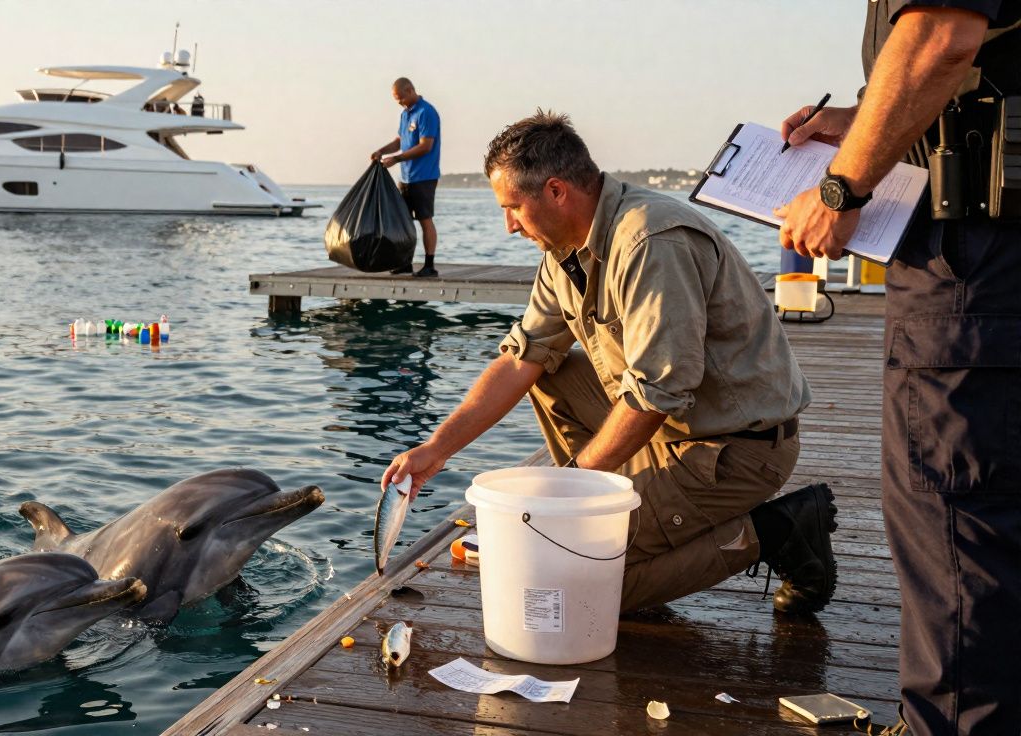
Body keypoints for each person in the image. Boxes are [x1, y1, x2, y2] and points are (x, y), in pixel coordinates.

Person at [383, 111, 836, 616]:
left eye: (512, 207)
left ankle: (777, 531)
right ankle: (618, 513)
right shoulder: (563, 251)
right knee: (547, 375)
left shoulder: (650, 241)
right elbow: (521, 359)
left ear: (556, 191)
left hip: (735, 451)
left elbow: (657, 393)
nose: (508, 226)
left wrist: (570, 490)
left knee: (572, 585)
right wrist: (435, 449)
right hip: (670, 431)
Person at [773, 3, 1021, 732]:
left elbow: (942, 37)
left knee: (957, 526)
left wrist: (840, 188)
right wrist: (863, 119)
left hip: (975, 257)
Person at [370, 77, 441, 278]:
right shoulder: (405, 114)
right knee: (403, 220)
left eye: (401, 98)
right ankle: (404, 263)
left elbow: (425, 145)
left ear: (410, 90)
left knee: (424, 219)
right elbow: (400, 141)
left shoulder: (426, 112)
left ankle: (429, 265)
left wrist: (396, 159)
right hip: (407, 177)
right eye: (396, 100)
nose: (399, 102)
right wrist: (381, 151)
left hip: (424, 176)